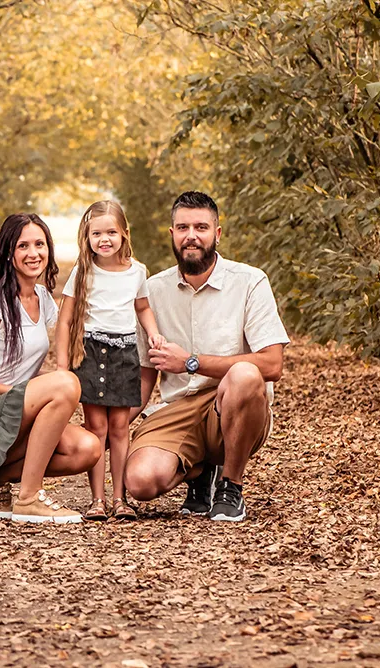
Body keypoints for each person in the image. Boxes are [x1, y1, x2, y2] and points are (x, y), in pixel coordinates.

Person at [124, 192, 290, 522]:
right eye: (183, 228)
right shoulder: (152, 291)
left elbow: (272, 364)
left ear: (218, 233)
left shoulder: (249, 281)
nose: (191, 236)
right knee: (140, 482)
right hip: (177, 410)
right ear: (172, 234)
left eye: (201, 227)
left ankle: (230, 485)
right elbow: (145, 375)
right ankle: (200, 471)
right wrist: (108, 428)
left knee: (245, 374)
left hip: (233, 404)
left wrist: (191, 362)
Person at [0, 213, 100, 524]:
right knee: (64, 383)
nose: (34, 253)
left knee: (87, 448)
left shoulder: (42, 298)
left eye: (40, 244)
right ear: (8, 253)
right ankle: (30, 497)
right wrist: (24, 395)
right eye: (23, 246)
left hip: (12, 417)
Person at [56, 201, 165, 521]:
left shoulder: (137, 271)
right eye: (97, 234)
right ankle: (97, 500)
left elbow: (142, 307)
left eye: (111, 233)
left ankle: (119, 498)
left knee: (119, 427)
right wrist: (62, 365)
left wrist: (154, 334)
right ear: (87, 237)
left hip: (124, 355)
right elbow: (64, 321)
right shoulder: (83, 271)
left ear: (124, 234)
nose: (104, 239)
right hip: (89, 354)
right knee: (97, 428)